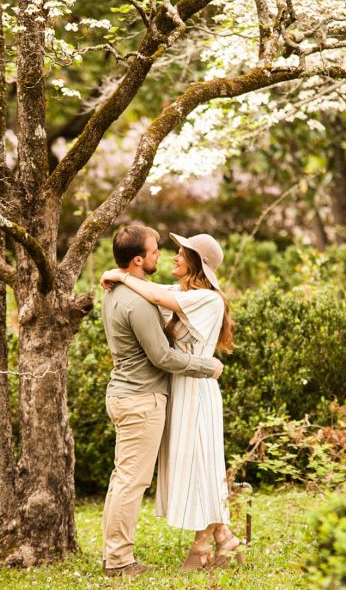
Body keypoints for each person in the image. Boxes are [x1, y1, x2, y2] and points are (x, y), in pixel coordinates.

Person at [101, 230, 245, 571]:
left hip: (195, 389)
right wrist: (120, 274)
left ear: (197, 263)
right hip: (174, 387)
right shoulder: (173, 292)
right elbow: (152, 294)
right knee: (187, 467)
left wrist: (119, 274)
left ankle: (203, 546)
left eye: (181, 252)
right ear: (139, 259)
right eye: (162, 250)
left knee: (203, 466)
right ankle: (222, 538)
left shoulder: (206, 299)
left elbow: (153, 296)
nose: (170, 256)